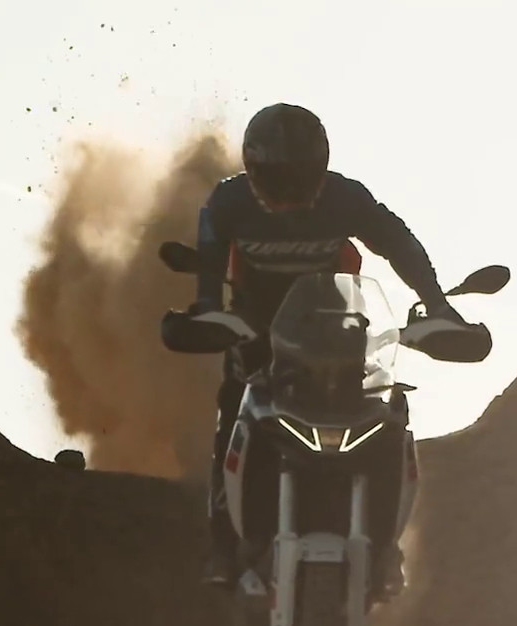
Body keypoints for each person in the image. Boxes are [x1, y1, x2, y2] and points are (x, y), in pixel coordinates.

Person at [194, 102, 470, 597]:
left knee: (387, 411)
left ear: (320, 167)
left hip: (335, 331)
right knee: (233, 410)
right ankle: (224, 545)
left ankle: (384, 547)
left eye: (299, 177)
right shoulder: (230, 202)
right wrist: (207, 310)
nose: (288, 190)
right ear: (252, 169)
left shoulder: (344, 198)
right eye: (276, 177)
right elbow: (210, 259)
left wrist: (437, 305)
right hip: (257, 333)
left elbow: (398, 242)